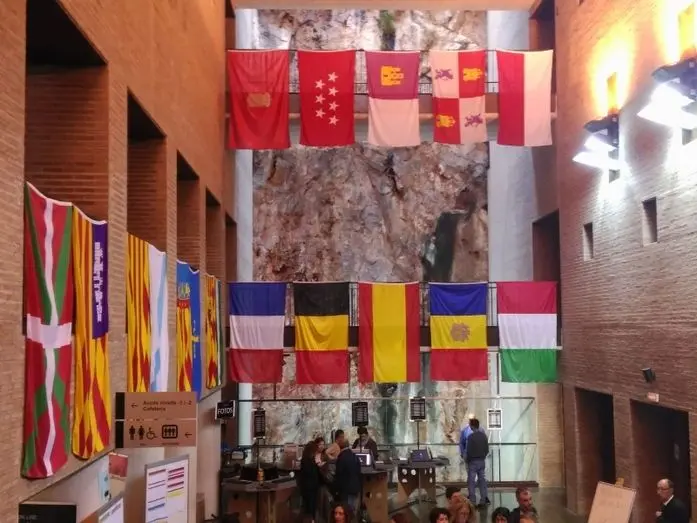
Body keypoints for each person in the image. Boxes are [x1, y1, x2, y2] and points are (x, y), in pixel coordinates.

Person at [298, 440, 326, 523]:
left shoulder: (305, 460)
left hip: (307, 488)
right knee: (311, 507)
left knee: (309, 507)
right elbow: (311, 473)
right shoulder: (309, 461)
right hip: (310, 488)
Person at [465, 418, 490, 507]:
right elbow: (487, 450)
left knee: (471, 482)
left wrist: (467, 460)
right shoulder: (484, 436)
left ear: (472, 426)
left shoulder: (470, 437)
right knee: (482, 481)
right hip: (482, 461)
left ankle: (472, 501)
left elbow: (468, 451)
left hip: (473, 462)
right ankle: (483, 500)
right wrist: (482, 457)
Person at [334, 436, 362, 515]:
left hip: (346, 489)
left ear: (340, 445)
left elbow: (339, 474)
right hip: (355, 488)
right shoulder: (354, 456)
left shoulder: (341, 457)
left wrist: (335, 489)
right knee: (352, 511)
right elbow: (359, 472)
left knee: (346, 511)